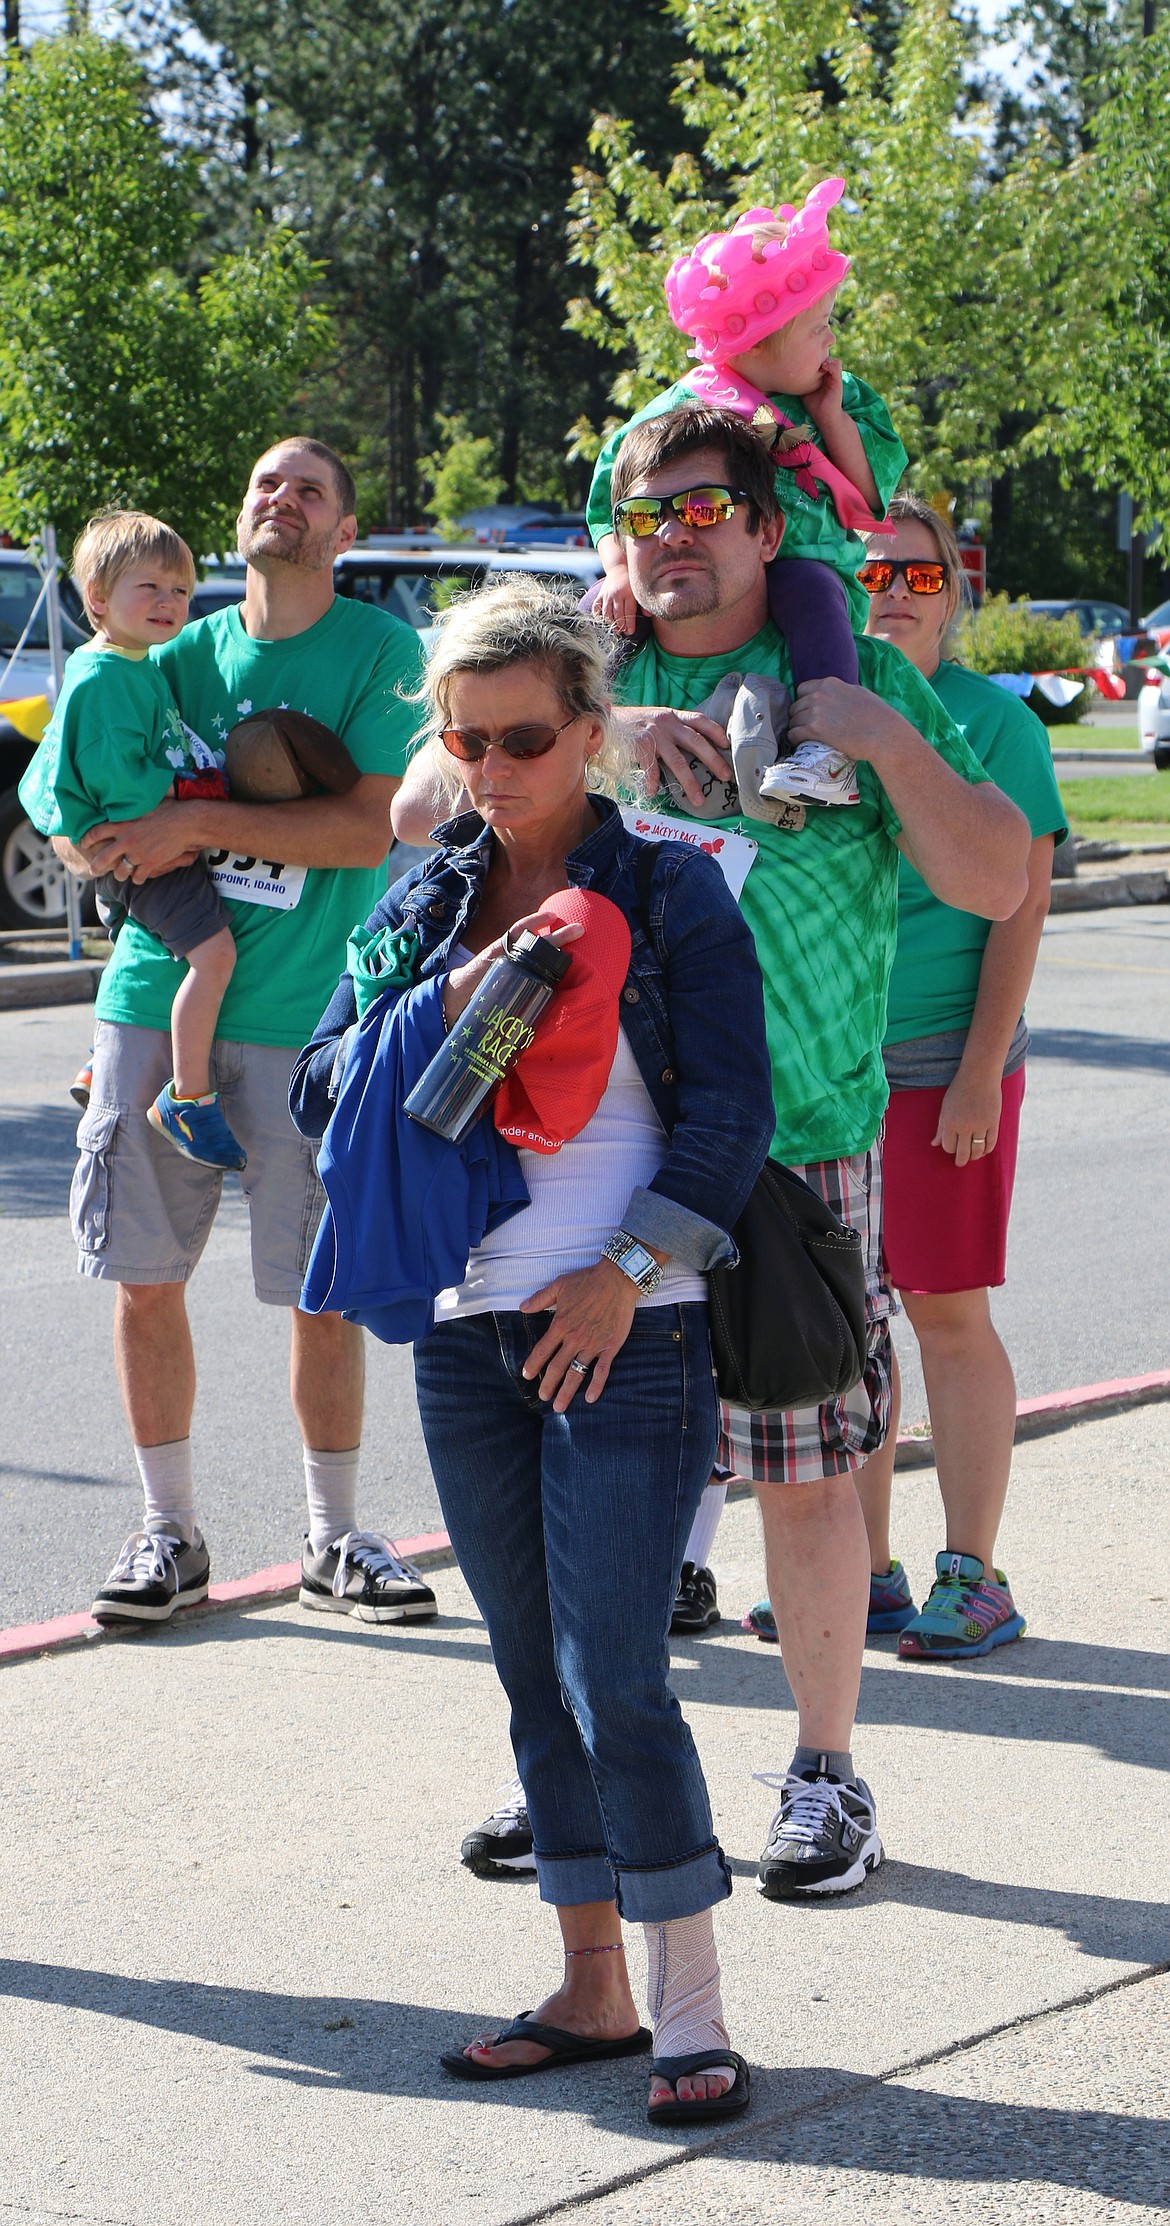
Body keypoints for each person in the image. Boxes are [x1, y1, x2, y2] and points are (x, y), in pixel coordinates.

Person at [393, 404, 1030, 1900]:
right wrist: (596, 737)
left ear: (761, 527)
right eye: (641, 515)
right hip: (579, 1155)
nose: (669, 539)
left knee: (804, 1471)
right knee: (575, 1478)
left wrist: (876, 739)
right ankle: (573, 1764)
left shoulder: (851, 677)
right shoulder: (579, 679)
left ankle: (823, 1776)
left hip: (788, 1150)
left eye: (699, 511)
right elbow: (422, 805)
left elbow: (997, 872)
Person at [291, 577, 774, 2122]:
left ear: (588, 732)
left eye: (522, 739)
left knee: (615, 1670)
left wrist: (624, 1272)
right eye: (464, 740)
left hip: (624, 1331)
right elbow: (317, 1091)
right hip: (465, 1331)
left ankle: (693, 2011)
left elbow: (728, 1116)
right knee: (527, 1675)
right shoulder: (427, 894)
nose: (491, 771)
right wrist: (441, 1007)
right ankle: (591, 1984)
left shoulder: (668, 888)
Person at [52, 438, 436, 1632]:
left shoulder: (380, 651)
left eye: (311, 487)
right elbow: (90, 804)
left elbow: (372, 831)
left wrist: (192, 823)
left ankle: (335, 1538)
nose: (284, 499)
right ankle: (169, 1532)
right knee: (143, 1280)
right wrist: (95, 846)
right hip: (151, 1001)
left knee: (321, 1292)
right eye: (266, 481)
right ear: (240, 512)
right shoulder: (175, 648)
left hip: (308, 1022)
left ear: (345, 525)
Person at [846, 493, 1067, 1659]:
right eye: (873, 572)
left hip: (943, 1063)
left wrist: (981, 1070)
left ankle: (972, 1574)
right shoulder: (814, 713)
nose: (892, 593)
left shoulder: (996, 724)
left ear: (953, 595)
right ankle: (863, 1569)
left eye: (920, 578)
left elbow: (1020, 912)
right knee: (846, 1325)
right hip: (832, 1069)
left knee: (945, 1313)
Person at [587, 179, 906, 804]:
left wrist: (830, 414)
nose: (831, 339)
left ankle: (828, 754)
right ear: (759, 339)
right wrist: (621, 570)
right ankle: (594, 729)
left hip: (807, 570)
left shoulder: (847, 397)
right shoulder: (681, 409)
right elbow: (612, 496)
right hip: (696, 574)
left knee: (809, 591)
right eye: (819, 326)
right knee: (599, 613)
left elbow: (869, 502)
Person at [20, 510, 246, 1172]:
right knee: (214, 958)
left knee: (147, 943)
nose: (169, 602)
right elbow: (123, 783)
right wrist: (194, 803)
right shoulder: (107, 676)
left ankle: (98, 1062)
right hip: (142, 848)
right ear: (98, 599)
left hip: (127, 850)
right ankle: (189, 1095)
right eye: (149, 587)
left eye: (180, 591)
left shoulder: (133, 663)